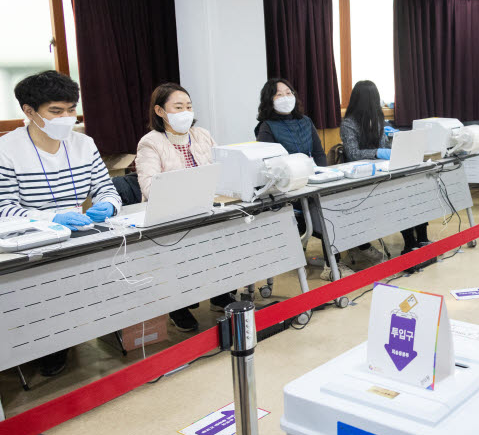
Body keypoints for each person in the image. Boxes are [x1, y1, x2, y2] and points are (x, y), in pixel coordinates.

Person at [0, 70, 122, 376]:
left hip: (81, 232)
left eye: (71, 110)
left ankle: (98, 328)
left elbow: (107, 189)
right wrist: (50, 218)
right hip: (31, 241)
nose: (66, 118)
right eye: (56, 111)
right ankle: (51, 345)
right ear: (29, 111)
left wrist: (108, 204)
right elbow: (4, 210)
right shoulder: (7, 150)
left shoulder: (84, 144)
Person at [135, 82, 234, 330]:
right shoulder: (150, 142)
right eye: (177, 107)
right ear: (160, 111)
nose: (185, 112)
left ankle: (220, 293)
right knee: (180, 248)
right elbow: (149, 188)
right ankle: (176, 305)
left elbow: (221, 170)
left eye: (188, 106)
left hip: (205, 210)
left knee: (229, 234)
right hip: (170, 219)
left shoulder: (202, 135)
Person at [341, 80, 430, 258]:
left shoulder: (378, 120)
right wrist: (379, 152)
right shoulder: (348, 124)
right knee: (398, 198)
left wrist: (392, 146)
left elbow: (384, 145)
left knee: (414, 193)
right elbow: (352, 154)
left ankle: (422, 239)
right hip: (363, 179)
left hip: (383, 172)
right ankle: (410, 243)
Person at [254, 78, 327, 165]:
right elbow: (269, 163)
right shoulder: (267, 126)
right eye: (279, 94)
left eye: (288, 93)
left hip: (313, 173)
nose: (285, 98)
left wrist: (322, 174)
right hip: (288, 176)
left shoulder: (305, 121)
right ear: (269, 100)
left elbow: (319, 154)